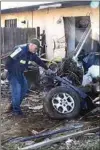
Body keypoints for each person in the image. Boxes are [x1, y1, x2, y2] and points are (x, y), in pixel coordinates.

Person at [3, 38, 52, 116]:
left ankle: (13, 105)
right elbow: (9, 59)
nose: (36, 50)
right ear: (31, 45)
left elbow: (38, 61)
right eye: (36, 48)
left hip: (20, 74)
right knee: (17, 92)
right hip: (12, 73)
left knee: (25, 89)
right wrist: (5, 71)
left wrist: (47, 69)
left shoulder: (32, 54)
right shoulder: (20, 50)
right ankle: (16, 112)